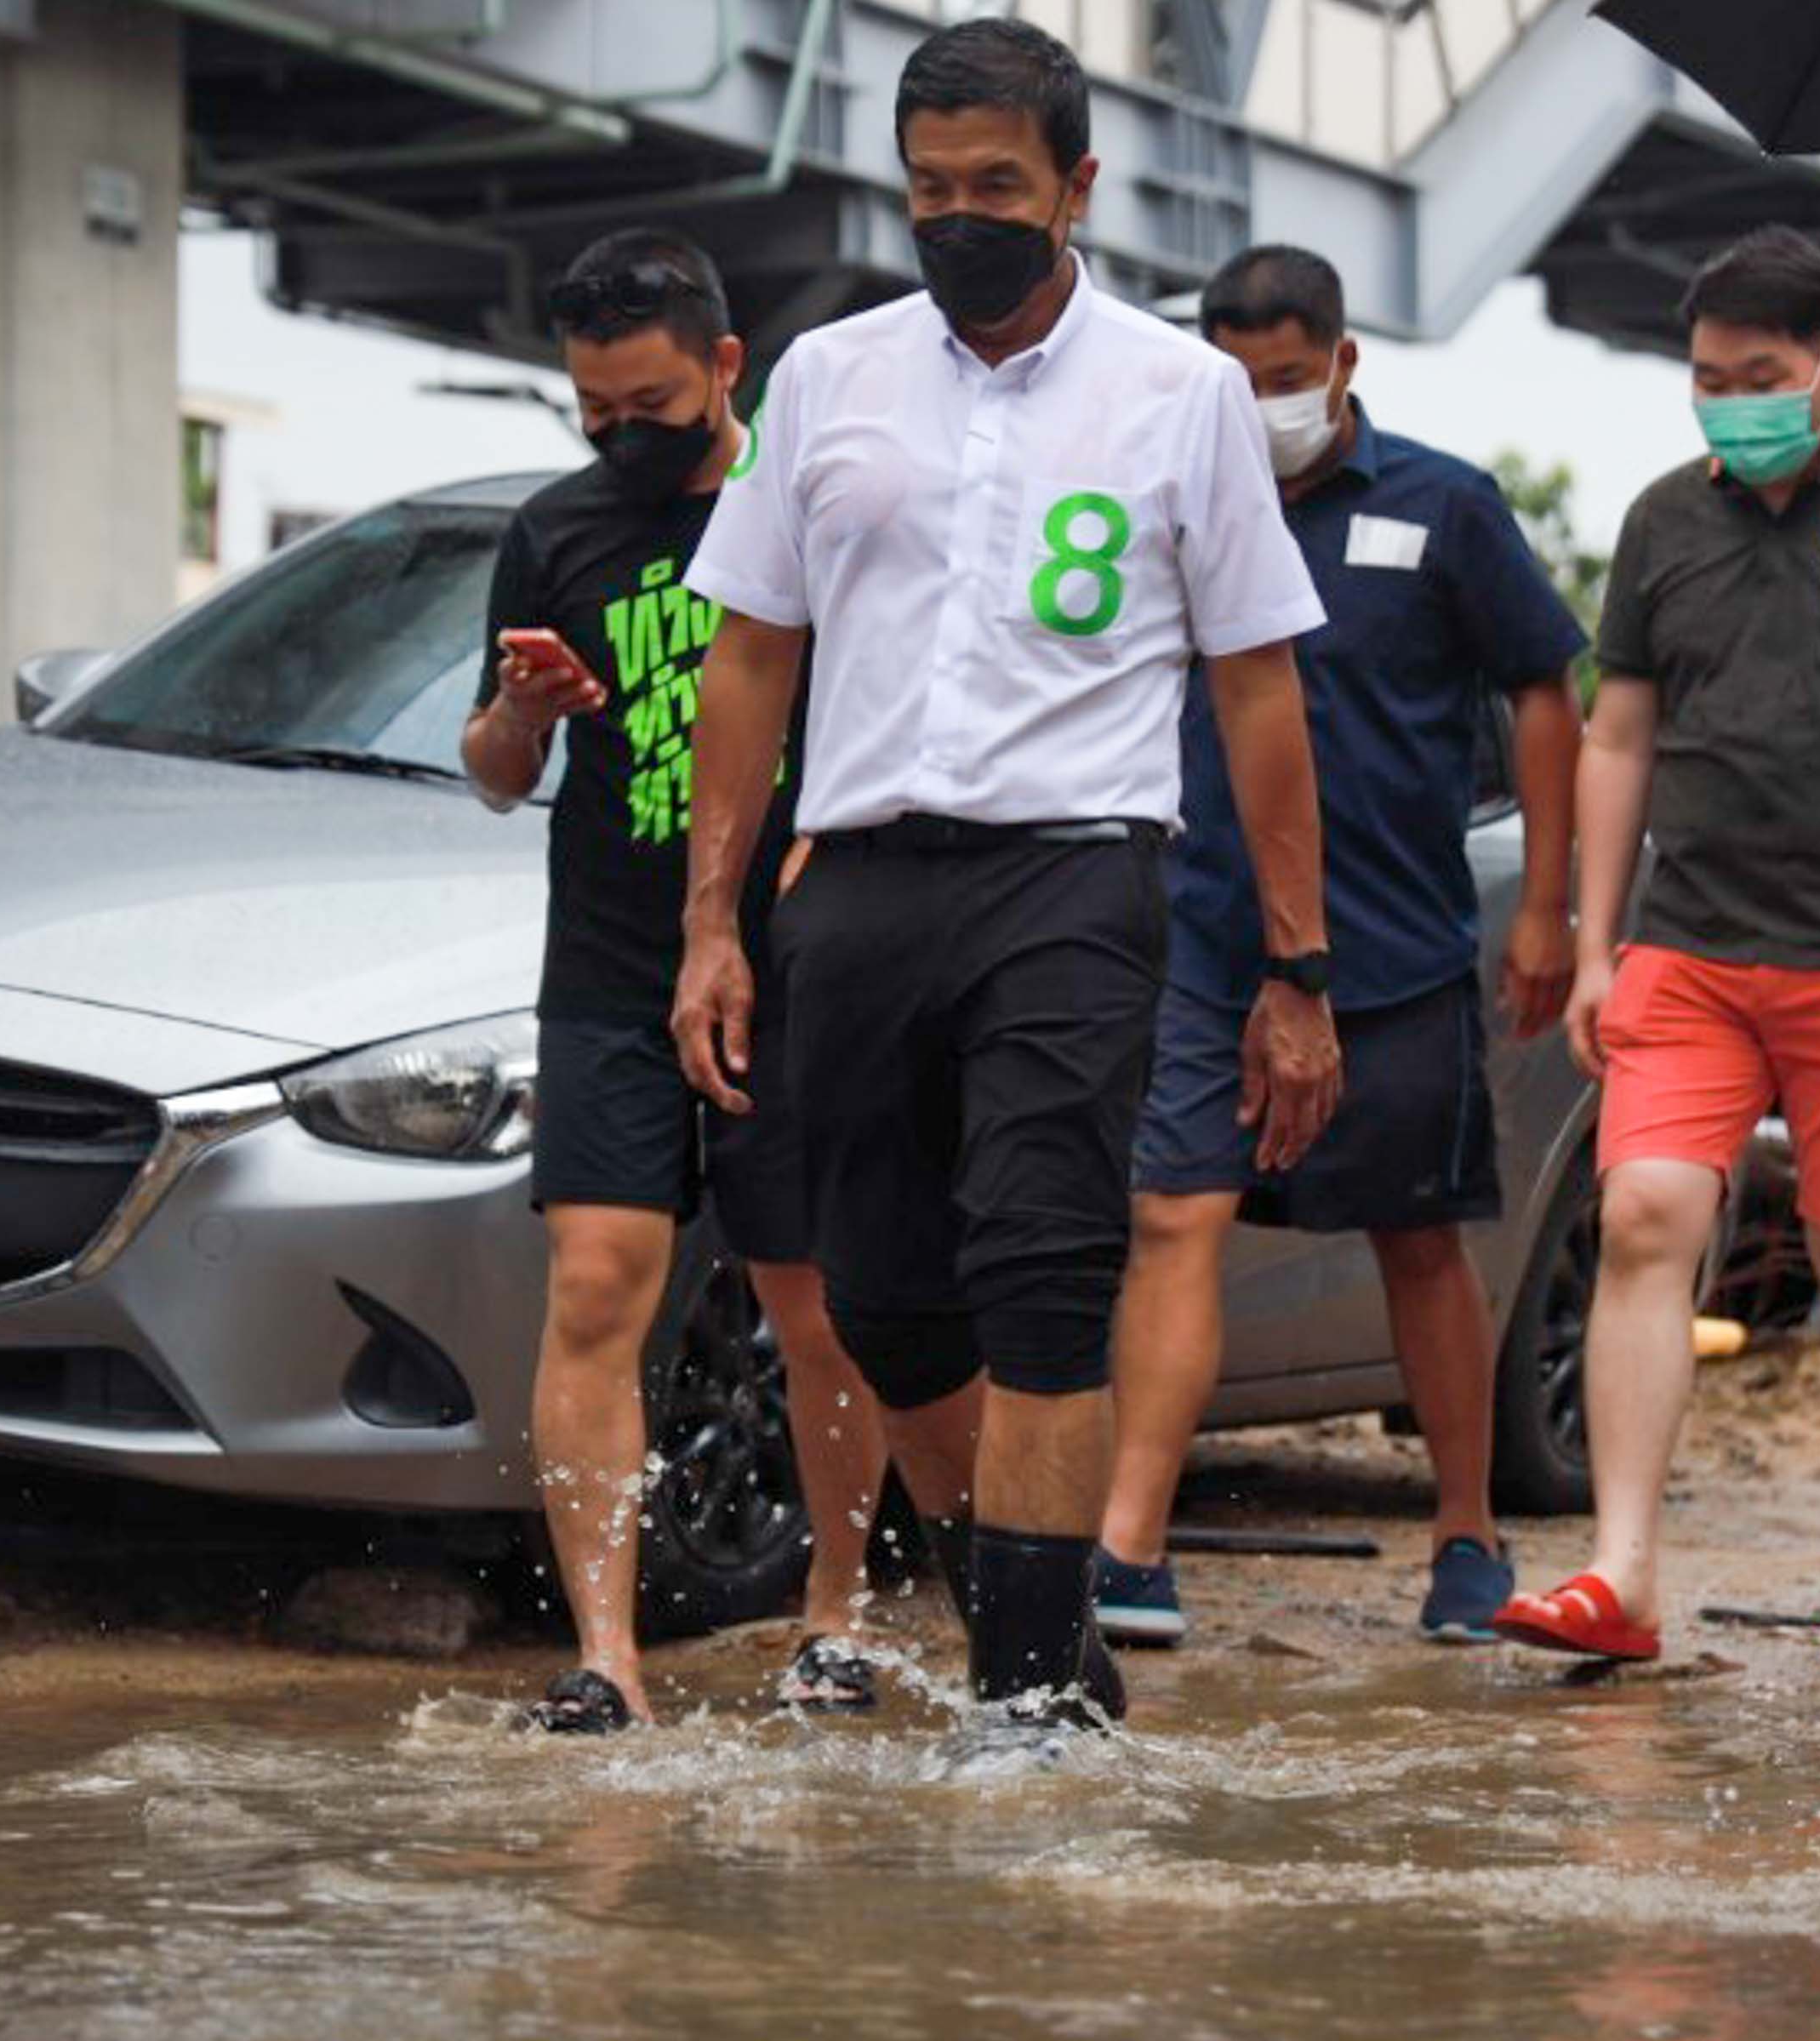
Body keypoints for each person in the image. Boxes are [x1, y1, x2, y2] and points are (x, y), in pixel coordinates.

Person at [673, 16, 1341, 1730]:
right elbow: (748, 654)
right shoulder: (829, 377)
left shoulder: (1181, 395)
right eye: (931, 188)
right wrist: (713, 926)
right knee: (890, 1309)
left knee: (1044, 1275)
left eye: (998, 186)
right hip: (864, 888)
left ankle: (1030, 1708)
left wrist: (1297, 968)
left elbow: (1257, 684)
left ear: (1077, 189)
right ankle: (1045, 1639)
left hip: (1075, 878)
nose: (959, 215)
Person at [1093, 246, 1589, 1650]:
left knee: (1418, 1238)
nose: (1265, 407)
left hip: (1395, 944)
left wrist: (1547, 903)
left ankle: (1468, 1535)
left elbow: (1545, 689)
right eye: (1236, 383)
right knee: (1173, 1216)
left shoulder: (1442, 509)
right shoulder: (1170, 511)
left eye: (1289, 380)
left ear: (1345, 363)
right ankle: (1131, 1543)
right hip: (1201, 933)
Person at [459, 229, 892, 1733]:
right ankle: (605, 1657)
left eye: (650, 406)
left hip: (798, 969)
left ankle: (836, 1614)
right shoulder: (556, 534)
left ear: (726, 368)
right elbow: (497, 777)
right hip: (609, 962)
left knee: (815, 1304)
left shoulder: (820, 514)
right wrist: (521, 708)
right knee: (595, 1288)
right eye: (594, 414)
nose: (622, 439)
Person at [1497, 226, 1820, 1671]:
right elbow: (1620, 731)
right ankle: (1622, 1571)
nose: (1731, 402)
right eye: (1708, 379)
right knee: (1646, 1215)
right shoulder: (1664, 521)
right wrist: (1594, 944)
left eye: (1762, 377)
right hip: (1691, 943)